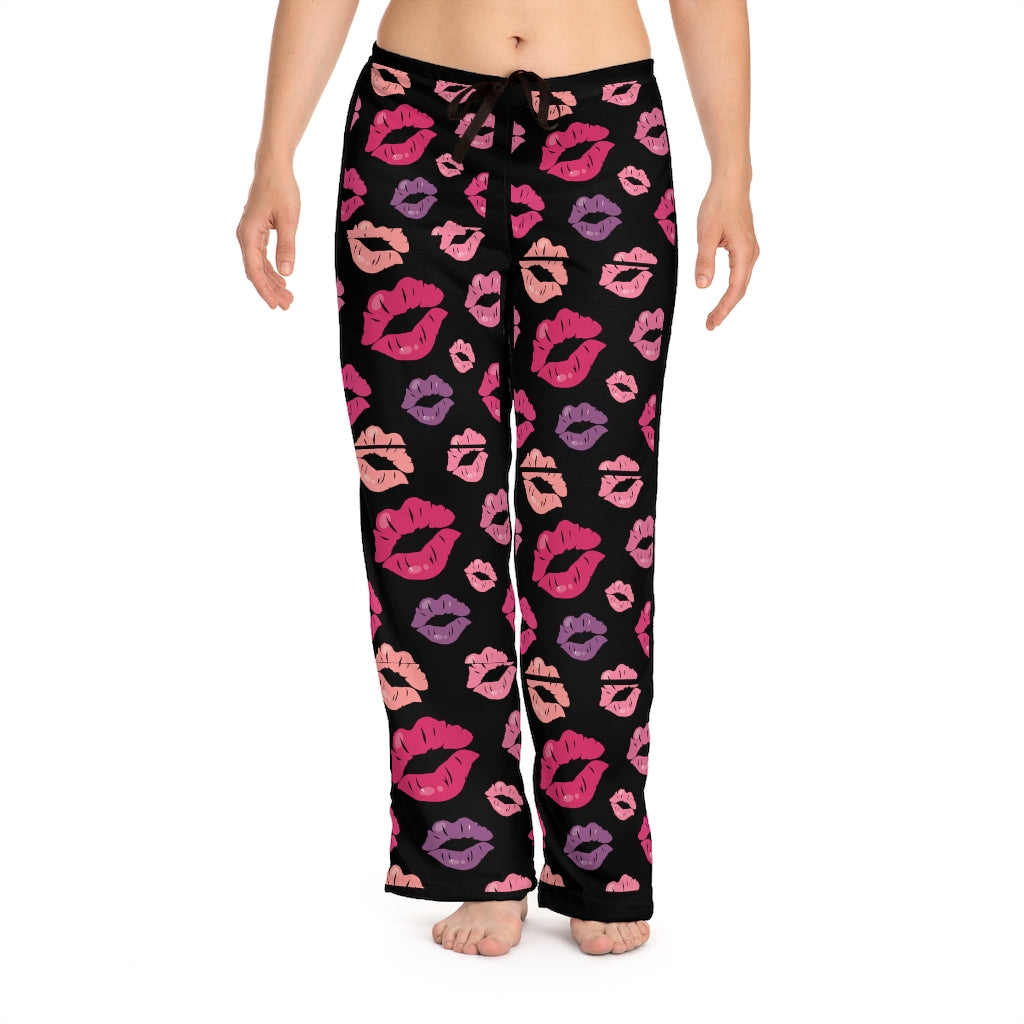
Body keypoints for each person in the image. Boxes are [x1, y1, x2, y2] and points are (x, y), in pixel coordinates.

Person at [236, 0, 758, 957]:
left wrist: (735, 168)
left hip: (604, 127)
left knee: (596, 515)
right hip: (409, 129)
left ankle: (601, 859)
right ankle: (475, 854)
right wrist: (276, 152)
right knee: (421, 505)